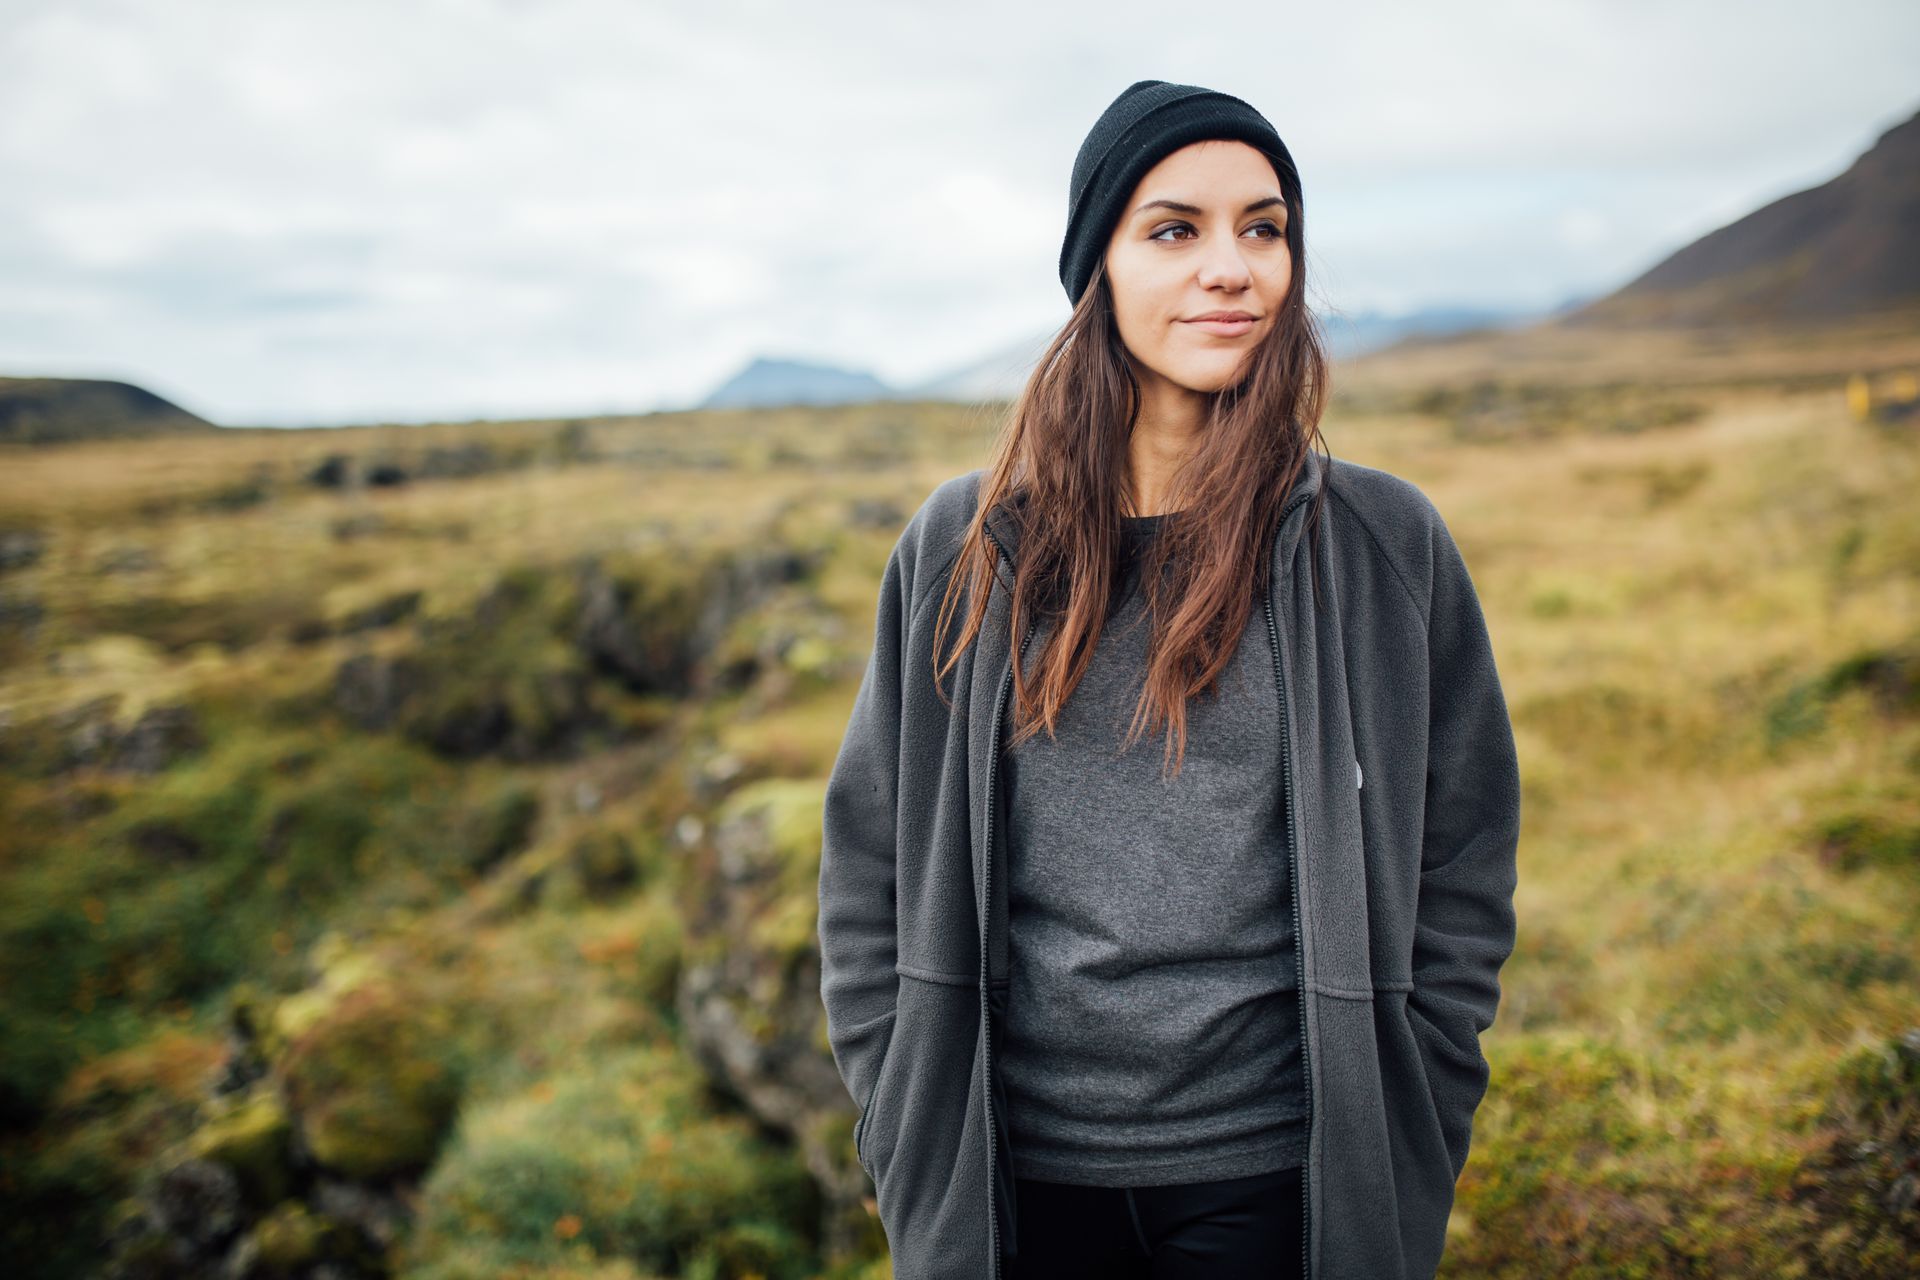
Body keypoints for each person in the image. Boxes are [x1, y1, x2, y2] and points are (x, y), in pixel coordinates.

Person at [817, 78, 1520, 1280]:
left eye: (1265, 226)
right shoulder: (965, 544)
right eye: (1175, 229)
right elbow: (870, 856)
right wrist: (902, 1108)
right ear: (1100, 266)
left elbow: (1461, 852)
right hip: (1013, 1173)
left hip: (1280, 1173)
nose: (1233, 266)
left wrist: (1420, 1090)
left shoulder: (1382, 545)